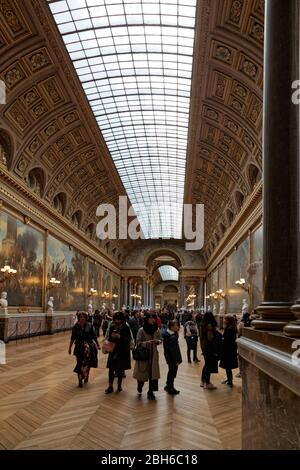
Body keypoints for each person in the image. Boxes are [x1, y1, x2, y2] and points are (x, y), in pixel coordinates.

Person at [133, 312, 161, 400]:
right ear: (147, 319)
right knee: (142, 372)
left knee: (153, 374)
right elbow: (137, 342)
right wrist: (146, 343)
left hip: (153, 354)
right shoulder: (141, 330)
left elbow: (160, 339)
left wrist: (158, 341)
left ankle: (151, 392)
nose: (152, 320)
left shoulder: (157, 330)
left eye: (154, 318)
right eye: (150, 318)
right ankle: (140, 385)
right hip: (144, 354)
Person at [68, 312, 100, 388]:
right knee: (79, 363)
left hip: (88, 347)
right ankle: (79, 380)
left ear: (86, 318)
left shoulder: (90, 325)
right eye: (80, 317)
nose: (81, 318)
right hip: (79, 347)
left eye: (83, 317)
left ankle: (86, 376)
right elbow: (73, 338)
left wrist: (98, 345)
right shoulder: (76, 327)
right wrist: (69, 347)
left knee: (87, 363)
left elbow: (94, 336)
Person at [105, 311, 131, 394]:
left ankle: (119, 385)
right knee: (111, 369)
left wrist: (120, 337)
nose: (117, 321)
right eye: (116, 319)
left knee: (120, 369)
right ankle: (110, 386)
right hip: (113, 350)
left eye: (119, 319)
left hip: (122, 350)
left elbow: (129, 339)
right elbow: (109, 338)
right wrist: (111, 337)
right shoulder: (112, 326)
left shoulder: (126, 327)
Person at [199, 311, 220, 390]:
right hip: (209, 346)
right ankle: (207, 383)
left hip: (204, 346)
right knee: (208, 364)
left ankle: (203, 380)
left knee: (206, 364)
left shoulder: (202, 325)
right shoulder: (209, 325)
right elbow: (210, 337)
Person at [162, 319, 182, 395]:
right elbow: (174, 350)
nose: (178, 327)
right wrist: (177, 360)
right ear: (172, 327)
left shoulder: (171, 334)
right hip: (173, 358)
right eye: (176, 325)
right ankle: (170, 387)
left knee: (171, 371)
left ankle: (168, 385)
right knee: (172, 372)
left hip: (169, 357)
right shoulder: (172, 337)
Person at [220, 315, 238, 387]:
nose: (224, 320)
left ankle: (230, 381)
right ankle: (229, 379)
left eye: (225, 319)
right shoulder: (232, 328)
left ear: (228, 321)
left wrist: (222, 340)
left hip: (228, 350)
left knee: (228, 366)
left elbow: (226, 340)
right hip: (230, 349)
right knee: (228, 366)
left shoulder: (229, 329)